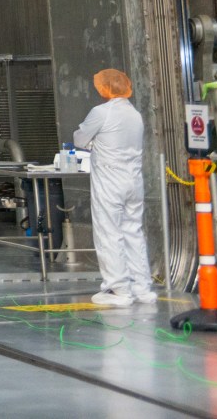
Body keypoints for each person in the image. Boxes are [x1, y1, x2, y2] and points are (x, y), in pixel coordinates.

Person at [74, 67, 152, 306]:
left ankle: (118, 290)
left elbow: (79, 139)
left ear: (104, 88)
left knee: (109, 233)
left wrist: (94, 140)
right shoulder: (135, 114)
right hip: (134, 181)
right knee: (133, 232)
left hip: (110, 181)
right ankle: (142, 288)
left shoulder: (101, 112)